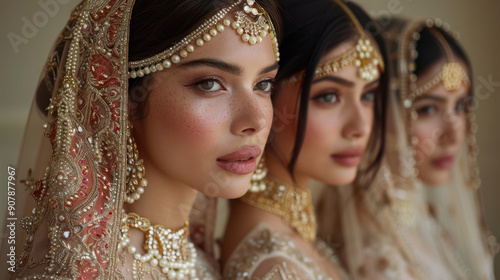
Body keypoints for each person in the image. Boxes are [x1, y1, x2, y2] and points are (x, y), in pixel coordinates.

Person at [2, 0, 281, 279]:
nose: (256, 120)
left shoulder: (199, 260)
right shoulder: (82, 272)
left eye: (263, 84)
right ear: (118, 95)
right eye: (209, 83)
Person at [321, 17, 497, 279]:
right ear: (380, 112)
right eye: (426, 109)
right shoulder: (373, 255)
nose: (453, 134)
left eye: (460, 107)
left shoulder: (425, 220)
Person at [220, 0, 386, 279]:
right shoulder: (276, 265)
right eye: (329, 96)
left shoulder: (290, 238)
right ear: (266, 94)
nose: (361, 126)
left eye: (368, 95)